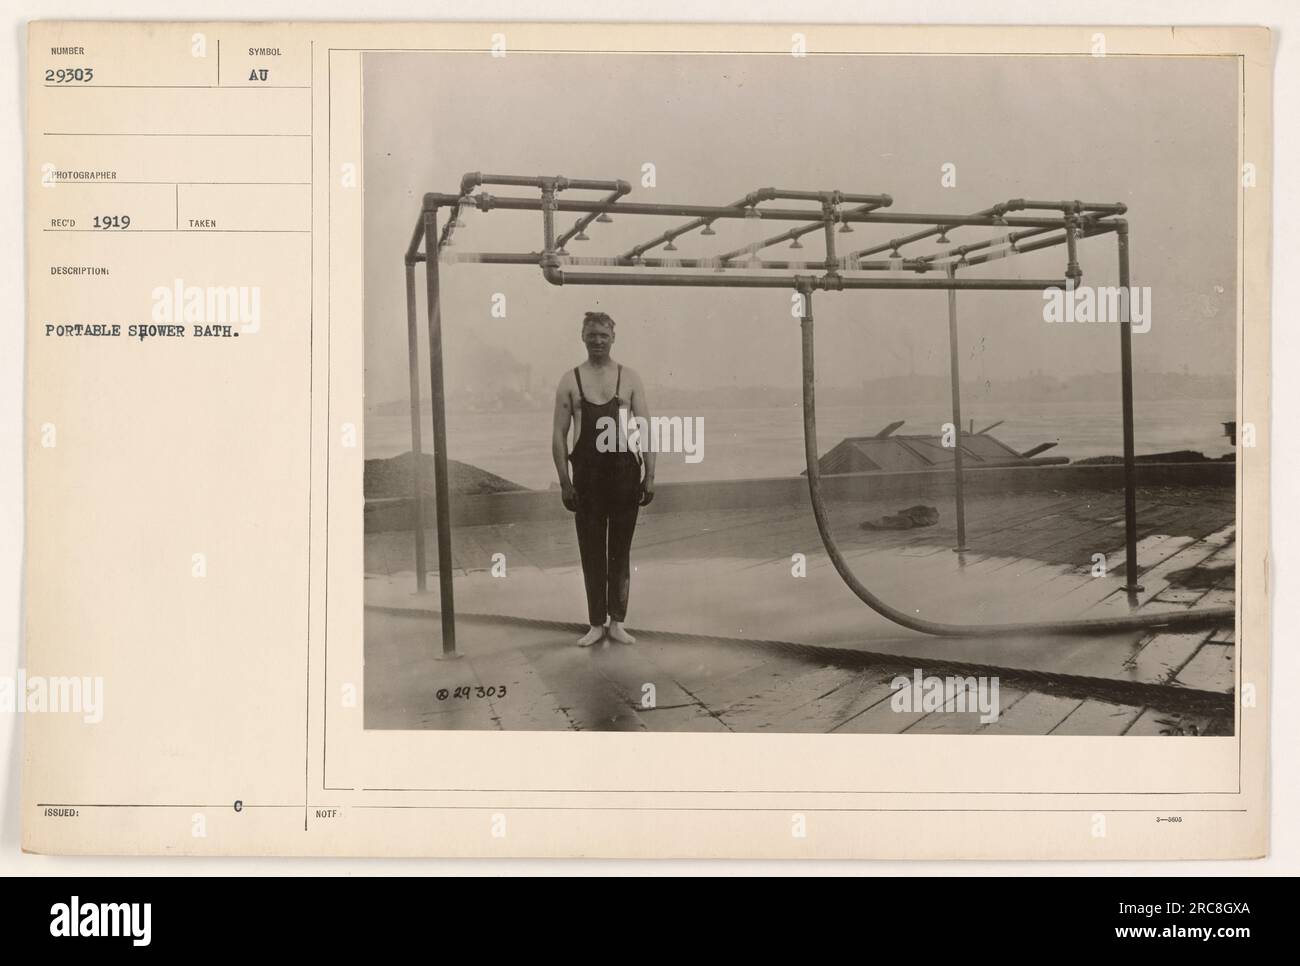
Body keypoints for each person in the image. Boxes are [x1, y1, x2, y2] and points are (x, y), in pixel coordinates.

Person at [552, 310, 655, 647]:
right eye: (591, 335)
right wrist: (565, 481)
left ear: (613, 338)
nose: (597, 341)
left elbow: (645, 428)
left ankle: (617, 622)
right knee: (592, 550)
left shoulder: (629, 377)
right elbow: (558, 434)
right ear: (583, 337)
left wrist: (650, 474)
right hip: (588, 477)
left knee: (620, 551)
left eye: (603, 335)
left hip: (625, 473)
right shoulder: (571, 380)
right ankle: (596, 623)